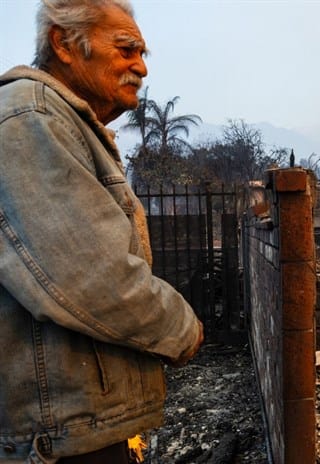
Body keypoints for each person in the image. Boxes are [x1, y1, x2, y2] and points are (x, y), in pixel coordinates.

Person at [0, 1, 204, 462]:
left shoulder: (59, 121)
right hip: (60, 440)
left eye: (143, 52)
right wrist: (182, 328)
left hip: (75, 428)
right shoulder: (30, 119)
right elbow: (92, 275)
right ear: (64, 43)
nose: (141, 66)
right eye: (127, 48)